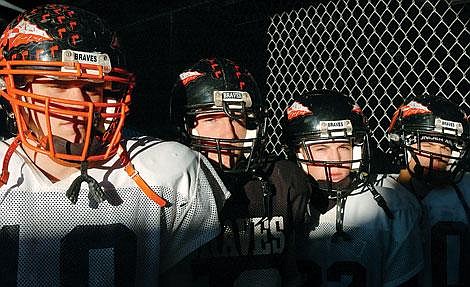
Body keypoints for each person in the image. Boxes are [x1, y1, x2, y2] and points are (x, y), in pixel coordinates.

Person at [0, 4, 228, 286]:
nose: (81, 104)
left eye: (94, 87)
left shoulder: (166, 169)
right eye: (58, 84)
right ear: (15, 90)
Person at [170, 57, 324, 286]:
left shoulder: (282, 180)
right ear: (184, 126)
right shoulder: (169, 182)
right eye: (212, 119)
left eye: (239, 118)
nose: (230, 134)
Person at [283, 90, 424, 286]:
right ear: (297, 152)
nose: (337, 160)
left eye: (343, 146)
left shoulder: (392, 205)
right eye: (321, 148)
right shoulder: (280, 198)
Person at [382, 94, 469, 286]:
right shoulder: (379, 194)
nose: (436, 155)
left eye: (445, 148)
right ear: (402, 143)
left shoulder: (464, 190)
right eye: (428, 144)